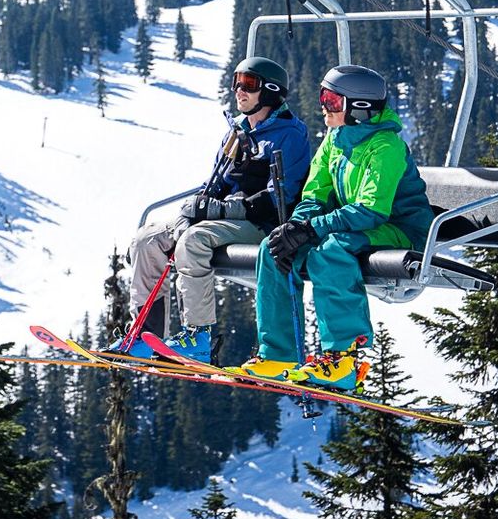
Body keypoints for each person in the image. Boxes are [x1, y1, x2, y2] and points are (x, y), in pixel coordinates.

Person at [233, 64, 434, 391]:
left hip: (398, 229)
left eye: (332, 100)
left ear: (360, 108)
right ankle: (279, 355)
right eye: (323, 97)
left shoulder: (386, 147)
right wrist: (295, 227)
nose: (323, 107)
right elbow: (315, 194)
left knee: (330, 251)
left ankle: (343, 358)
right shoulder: (335, 140)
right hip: (353, 224)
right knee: (273, 248)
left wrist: (311, 230)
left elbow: (371, 210)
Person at [107, 56, 310, 364]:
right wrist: (193, 210)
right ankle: (148, 336)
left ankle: (198, 337)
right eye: (237, 82)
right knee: (146, 241)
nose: (239, 90)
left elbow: (278, 197)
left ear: (270, 91)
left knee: (194, 240)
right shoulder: (237, 132)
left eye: (249, 84)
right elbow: (214, 184)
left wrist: (218, 210)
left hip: (264, 224)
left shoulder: (289, 135)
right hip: (226, 219)